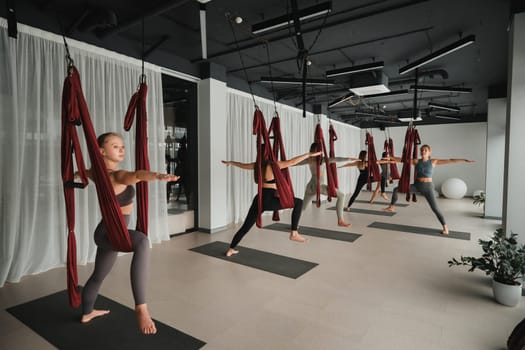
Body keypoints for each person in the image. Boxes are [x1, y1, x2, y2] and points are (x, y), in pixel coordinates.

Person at [79, 132, 179, 334]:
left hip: (106, 231)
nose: (121, 149)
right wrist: (159, 176)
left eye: (122, 146)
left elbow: (84, 173)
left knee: (98, 276)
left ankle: (87, 312)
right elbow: (137, 175)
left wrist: (73, 175)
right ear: (101, 151)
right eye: (115, 146)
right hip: (112, 232)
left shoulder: (97, 173)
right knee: (141, 241)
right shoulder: (117, 175)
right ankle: (141, 307)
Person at [222, 147, 322, 257]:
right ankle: (294, 232)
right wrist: (308, 155)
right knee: (298, 203)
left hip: (259, 198)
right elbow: (292, 161)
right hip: (269, 199)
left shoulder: (257, 165)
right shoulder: (273, 165)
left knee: (246, 226)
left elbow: (242, 165)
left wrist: (231, 162)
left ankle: (231, 249)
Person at [383, 144, 474, 235]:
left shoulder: (433, 161)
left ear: (429, 152)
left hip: (428, 188)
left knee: (435, 208)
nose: (423, 151)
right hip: (417, 186)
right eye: (422, 150)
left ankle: (445, 227)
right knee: (396, 189)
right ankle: (392, 207)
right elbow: (402, 160)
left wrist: (464, 160)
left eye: (425, 150)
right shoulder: (416, 161)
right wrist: (390, 157)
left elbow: (451, 160)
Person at [297, 142, 356, 227]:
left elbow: (295, 163)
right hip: (319, 186)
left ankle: (295, 225)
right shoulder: (322, 160)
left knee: (303, 207)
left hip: (310, 186)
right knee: (341, 195)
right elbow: (335, 159)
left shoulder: (309, 160)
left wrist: (281, 164)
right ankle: (340, 220)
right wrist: (349, 158)